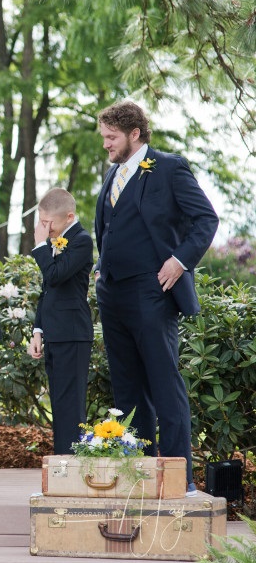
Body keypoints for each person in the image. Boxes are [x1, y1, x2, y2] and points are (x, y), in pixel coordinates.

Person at [94, 100, 218, 496]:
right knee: (128, 389)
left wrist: (180, 261)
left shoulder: (169, 167)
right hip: (113, 295)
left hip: (153, 291)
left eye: (111, 138)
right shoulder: (113, 174)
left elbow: (206, 219)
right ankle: (141, 476)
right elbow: (110, 230)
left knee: (164, 385)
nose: (106, 145)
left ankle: (182, 481)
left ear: (134, 134)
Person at [27, 187, 93, 455]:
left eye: (48, 223)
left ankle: (70, 463)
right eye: (42, 223)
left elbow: (55, 275)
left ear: (69, 216)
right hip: (55, 332)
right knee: (59, 403)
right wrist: (38, 329)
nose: (45, 229)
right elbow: (48, 289)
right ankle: (63, 463)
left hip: (73, 333)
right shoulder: (55, 241)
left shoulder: (81, 241)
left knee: (70, 405)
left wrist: (40, 246)